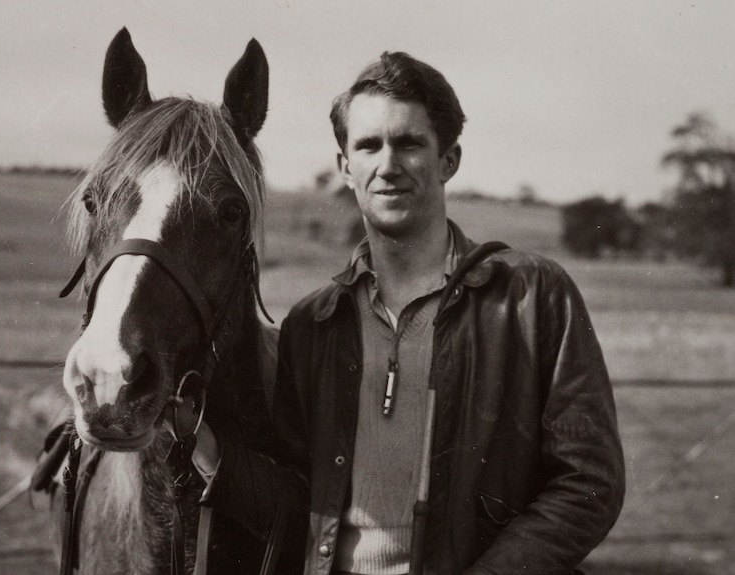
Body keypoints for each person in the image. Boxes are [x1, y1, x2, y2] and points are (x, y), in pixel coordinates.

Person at [191, 51, 625, 575]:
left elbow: (589, 482)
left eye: (410, 143)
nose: (388, 165)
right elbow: (301, 498)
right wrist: (212, 451)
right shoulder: (312, 325)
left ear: (449, 160)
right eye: (369, 145)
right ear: (345, 166)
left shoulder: (533, 295)